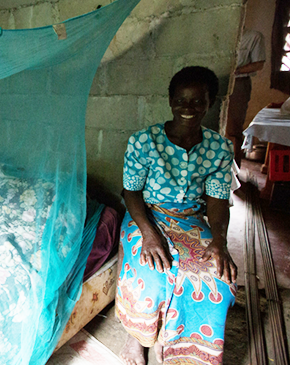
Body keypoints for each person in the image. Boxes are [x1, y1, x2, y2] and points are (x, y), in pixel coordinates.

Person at [116, 66, 238, 365]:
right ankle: (138, 340)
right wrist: (149, 234)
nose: (188, 108)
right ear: (170, 101)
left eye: (198, 101)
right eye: (181, 100)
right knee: (153, 274)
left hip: (190, 220)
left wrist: (220, 240)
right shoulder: (144, 141)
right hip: (146, 216)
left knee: (218, 281)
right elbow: (130, 192)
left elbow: (218, 200)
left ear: (209, 103)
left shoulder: (220, 148)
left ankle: (174, 341)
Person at [226, 28, 266, 167]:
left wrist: (235, 71)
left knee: (233, 128)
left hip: (238, 83)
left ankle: (233, 171)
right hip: (214, 80)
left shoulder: (253, 36)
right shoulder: (216, 33)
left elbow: (258, 64)